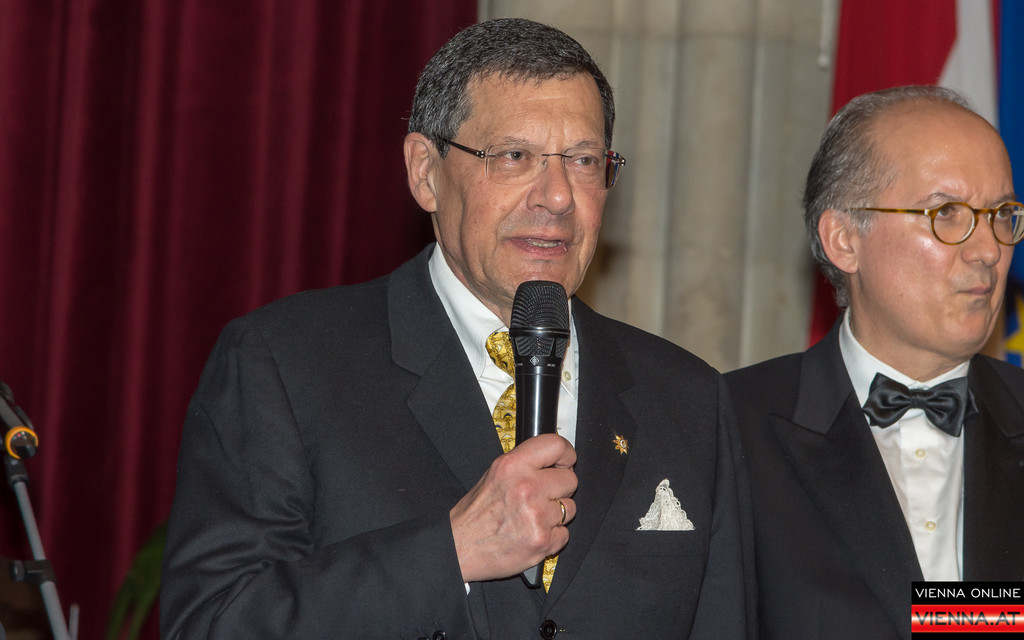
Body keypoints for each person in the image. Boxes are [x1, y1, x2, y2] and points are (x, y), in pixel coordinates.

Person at [160, 18, 752, 639]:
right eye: (514, 156)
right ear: (425, 172)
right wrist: (451, 553)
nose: (557, 197)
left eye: (582, 161)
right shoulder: (286, 363)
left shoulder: (687, 398)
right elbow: (212, 623)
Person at [725, 84, 1024, 640]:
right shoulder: (727, 428)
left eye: (1003, 215)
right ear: (844, 240)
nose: (989, 250)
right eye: (948, 213)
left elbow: (970, 623)